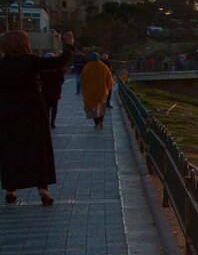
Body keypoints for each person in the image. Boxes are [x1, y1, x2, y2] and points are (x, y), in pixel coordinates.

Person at [0, 30, 75, 205]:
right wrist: (69, 44)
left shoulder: (2, 65)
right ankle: (43, 190)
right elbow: (59, 61)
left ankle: (11, 189)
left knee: (10, 149)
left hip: (7, 112)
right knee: (38, 148)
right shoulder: (31, 61)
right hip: (32, 109)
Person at [80, 52, 114, 129]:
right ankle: (101, 123)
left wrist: (84, 89)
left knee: (92, 107)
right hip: (102, 91)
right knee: (101, 107)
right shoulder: (104, 67)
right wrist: (108, 88)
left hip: (90, 91)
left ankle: (96, 123)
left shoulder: (87, 67)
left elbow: (83, 78)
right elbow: (110, 78)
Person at [38, 52, 65, 128]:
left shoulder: (42, 68)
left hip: (45, 90)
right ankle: (52, 122)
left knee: (46, 107)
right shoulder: (57, 67)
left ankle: (47, 121)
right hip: (55, 90)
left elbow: (39, 79)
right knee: (54, 106)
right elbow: (61, 79)